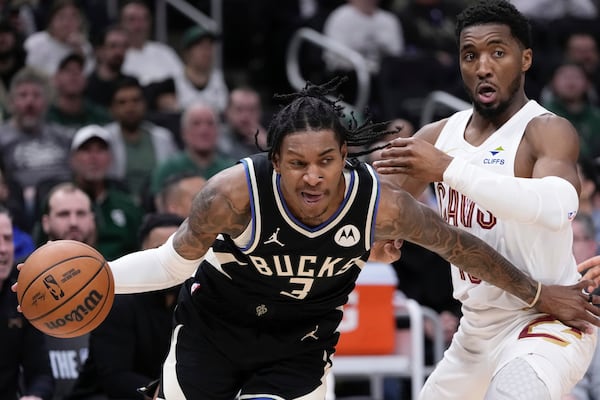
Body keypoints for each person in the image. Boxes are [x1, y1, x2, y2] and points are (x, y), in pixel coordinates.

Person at [82, 77, 600, 399]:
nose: (314, 177)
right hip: (211, 336)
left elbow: (461, 246)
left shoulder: (381, 205)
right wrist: (98, 280)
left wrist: (538, 292)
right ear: (276, 162)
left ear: (345, 158)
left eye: (327, 161)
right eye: (299, 164)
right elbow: (172, 265)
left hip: (296, 348)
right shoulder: (232, 194)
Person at [372, 1, 598, 398]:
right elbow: (366, 211)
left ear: (525, 58)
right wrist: (375, 241)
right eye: (469, 55)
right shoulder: (437, 136)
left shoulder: (545, 130)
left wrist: (448, 169)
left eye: (498, 52)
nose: (483, 67)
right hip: (475, 331)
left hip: (548, 317)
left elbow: (559, 205)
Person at [67, 212, 185, 400]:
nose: (169, 261)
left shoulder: (198, 299)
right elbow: (115, 377)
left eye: (177, 252)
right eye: (159, 250)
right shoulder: (118, 300)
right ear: (143, 254)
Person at [38, 182, 96, 400]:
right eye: (63, 214)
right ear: (46, 222)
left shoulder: (114, 276)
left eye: (80, 214)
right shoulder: (18, 279)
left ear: (92, 219)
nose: (73, 222)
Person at [0, 205, 54, 400]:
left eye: (7, 239)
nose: (3, 249)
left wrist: (35, 395)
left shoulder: (21, 298)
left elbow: (42, 374)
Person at [104, 76, 179, 202]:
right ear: (112, 109)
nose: (130, 107)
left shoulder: (163, 138)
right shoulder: (104, 138)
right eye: (122, 102)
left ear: (144, 104)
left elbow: (174, 178)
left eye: (135, 100)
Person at [23, 0, 94, 77]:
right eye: (61, 17)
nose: (67, 23)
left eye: (74, 17)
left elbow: (88, 76)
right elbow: (30, 73)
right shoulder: (35, 42)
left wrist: (79, 51)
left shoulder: (84, 45)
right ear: (51, 20)